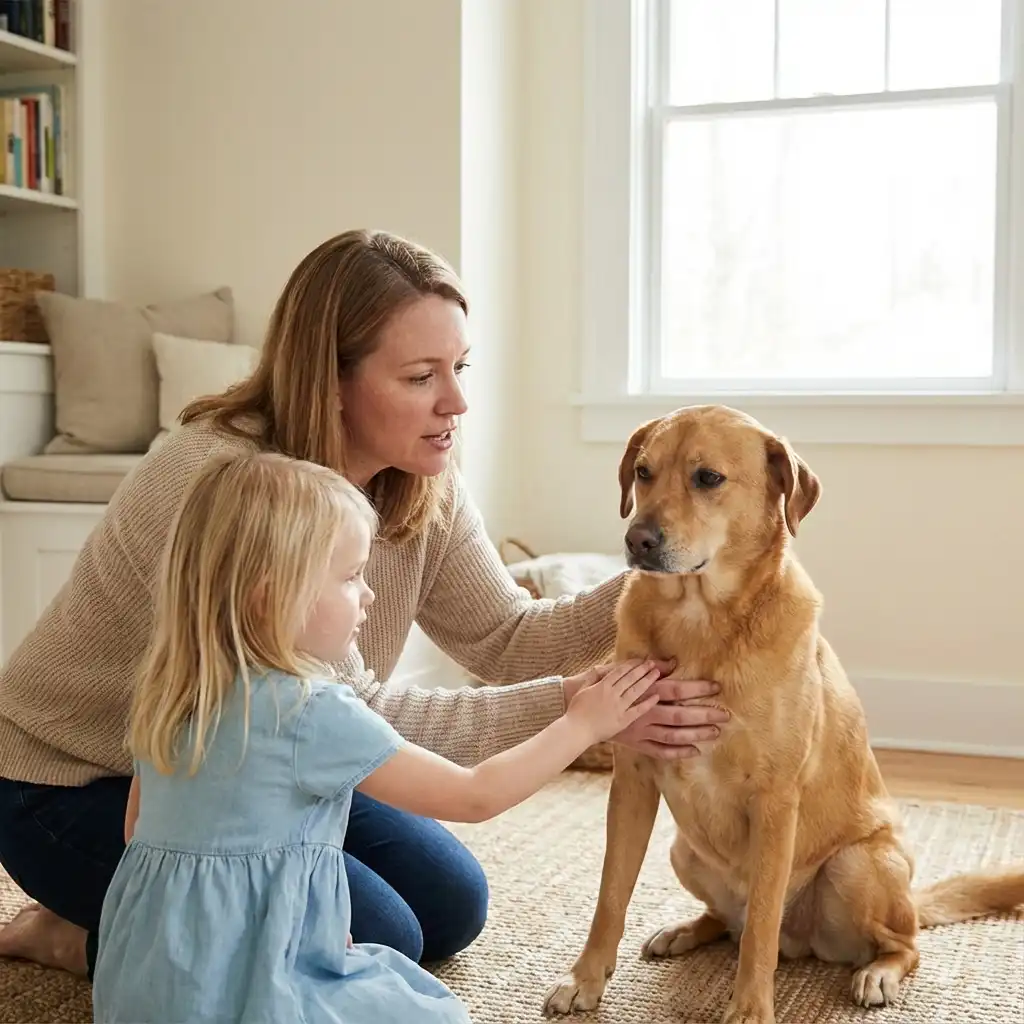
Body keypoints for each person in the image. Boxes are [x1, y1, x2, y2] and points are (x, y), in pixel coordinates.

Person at [0, 228, 729, 982]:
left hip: (255, 766)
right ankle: (79, 940)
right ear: (330, 380)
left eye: (459, 367)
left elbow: (506, 636)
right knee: (378, 934)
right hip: (71, 781)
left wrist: (661, 565)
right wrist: (580, 710)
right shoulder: (226, 489)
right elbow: (357, 719)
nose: (457, 402)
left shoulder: (421, 474)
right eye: (421, 377)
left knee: (452, 904)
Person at [93, 449, 664, 1024]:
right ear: (271, 594)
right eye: (350, 577)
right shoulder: (311, 710)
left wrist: (296, 909)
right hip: (245, 998)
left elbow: (137, 832)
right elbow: (474, 794)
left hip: (144, 987)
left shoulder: (174, 690)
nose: (368, 594)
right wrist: (583, 724)